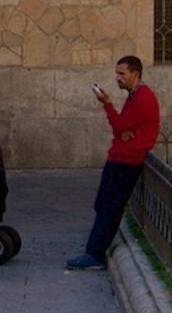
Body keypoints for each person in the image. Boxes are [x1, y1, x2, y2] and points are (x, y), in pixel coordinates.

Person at [65, 54, 162, 272]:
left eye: (122, 74)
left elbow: (120, 127)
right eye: (117, 73)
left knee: (111, 206)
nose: (118, 78)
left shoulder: (143, 98)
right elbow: (123, 130)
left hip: (128, 161)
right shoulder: (134, 95)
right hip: (118, 156)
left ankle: (94, 254)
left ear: (135, 74)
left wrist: (107, 104)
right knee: (102, 203)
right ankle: (96, 247)